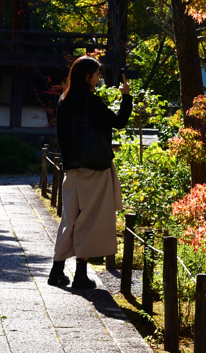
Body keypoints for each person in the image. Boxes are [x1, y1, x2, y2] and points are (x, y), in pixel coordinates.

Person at [48, 55, 131, 288]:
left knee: (69, 220)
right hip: (94, 170)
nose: (98, 78)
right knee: (90, 220)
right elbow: (119, 121)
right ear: (87, 77)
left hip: (72, 169)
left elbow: (62, 135)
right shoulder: (91, 102)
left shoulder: (63, 100)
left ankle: (56, 271)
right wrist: (126, 97)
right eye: (96, 74)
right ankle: (81, 275)